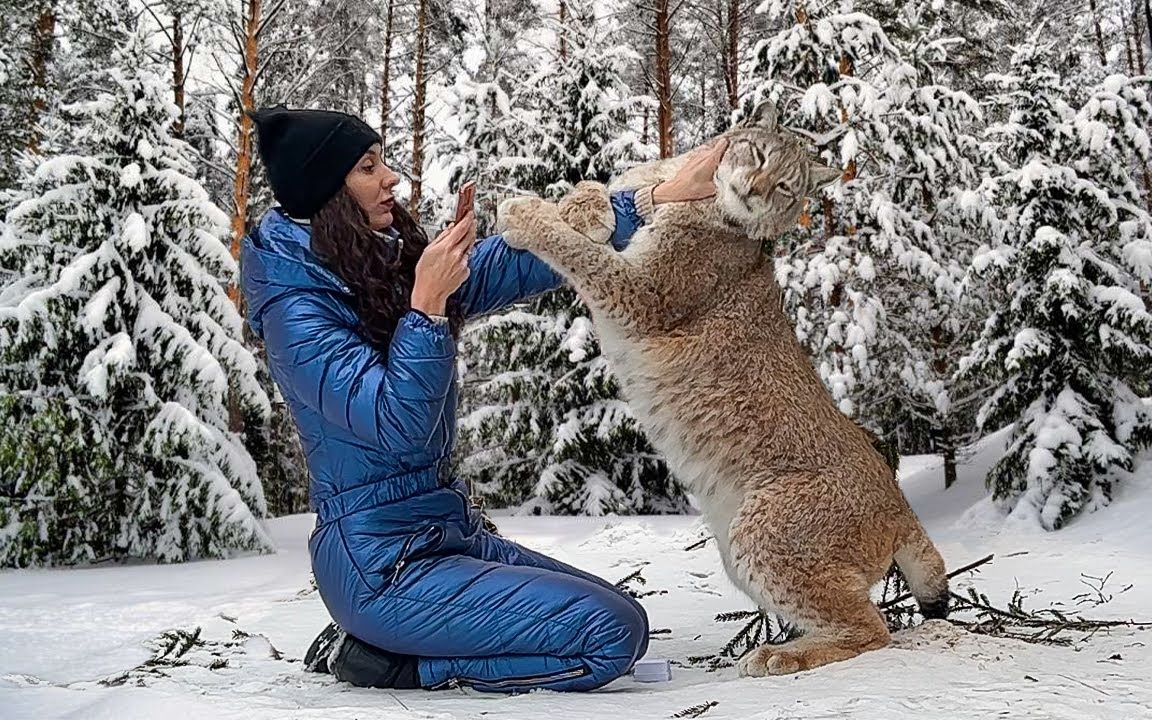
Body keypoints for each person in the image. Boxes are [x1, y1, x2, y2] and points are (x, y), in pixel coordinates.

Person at [241, 106, 725, 693]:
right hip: (383, 568)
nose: (390, 177)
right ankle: (395, 662)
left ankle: (400, 643)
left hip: (445, 535)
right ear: (327, 190)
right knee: (611, 634)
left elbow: (514, 263)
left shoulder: (368, 264)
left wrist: (653, 202)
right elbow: (398, 427)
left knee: (614, 608)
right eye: (368, 167)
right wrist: (425, 309)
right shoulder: (297, 312)